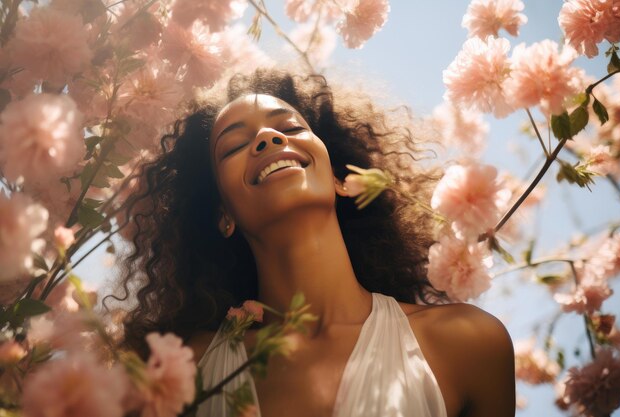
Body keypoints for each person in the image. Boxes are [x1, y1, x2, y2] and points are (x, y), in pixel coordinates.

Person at [114, 69, 515, 417]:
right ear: (223, 215)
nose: (268, 138)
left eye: (289, 129)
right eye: (234, 146)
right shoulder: (182, 372)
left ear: (341, 178)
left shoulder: (465, 343)